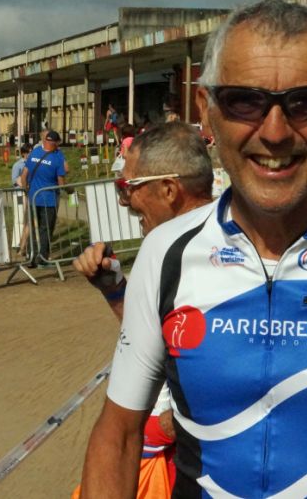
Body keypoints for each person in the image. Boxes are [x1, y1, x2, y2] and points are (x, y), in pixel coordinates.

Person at [79, 0, 307, 498]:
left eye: (306, 101)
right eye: (244, 101)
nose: (274, 132)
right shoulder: (166, 252)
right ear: (206, 109)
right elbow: (117, 436)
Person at [74, 121, 214, 498]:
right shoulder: (160, 250)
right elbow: (160, 336)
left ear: (169, 189)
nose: (124, 201)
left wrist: (168, 427)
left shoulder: (227, 254)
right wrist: (114, 290)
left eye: (129, 186)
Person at [21, 130, 66, 268]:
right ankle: (42, 259)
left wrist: (27, 191)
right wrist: (70, 190)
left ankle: (31, 257)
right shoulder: (57, 157)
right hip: (49, 200)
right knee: (45, 229)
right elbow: (61, 183)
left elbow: (24, 175)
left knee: (33, 228)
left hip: (33, 197)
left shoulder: (34, 152)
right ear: (55, 143)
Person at [11, 143, 33, 256]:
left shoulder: (32, 163)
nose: (31, 154)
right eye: (29, 152)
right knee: (19, 217)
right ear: (24, 153)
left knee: (26, 218)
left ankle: (25, 242)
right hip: (19, 193)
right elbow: (14, 179)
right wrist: (23, 185)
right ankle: (16, 243)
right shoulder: (17, 165)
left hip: (28, 193)